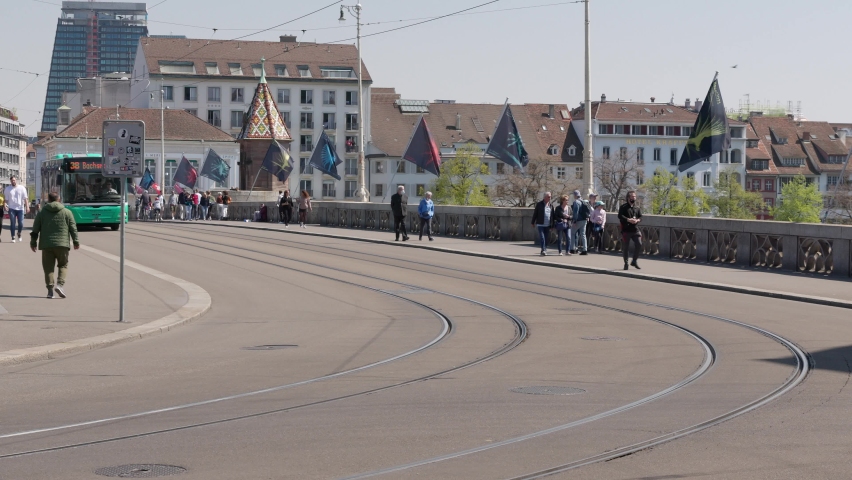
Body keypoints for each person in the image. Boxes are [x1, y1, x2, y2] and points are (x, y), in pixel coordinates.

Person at [29, 192, 80, 299]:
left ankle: (50, 291)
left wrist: (33, 243)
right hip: (62, 245)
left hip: (47, 245)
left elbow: (35, 229)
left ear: (48, 200)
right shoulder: (67, 212)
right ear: (59, 200)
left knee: (48, 268)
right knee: (63, 265)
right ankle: (60, 285)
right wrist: (76, 242)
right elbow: (73, 228)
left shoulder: (42, 212)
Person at [618, 190, 643, 270]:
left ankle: (634, 261)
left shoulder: (637, 207)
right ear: (628, 198)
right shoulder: (623, 207)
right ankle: (626, 263)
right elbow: (620, 216)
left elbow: (641, 217)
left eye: (635, 196)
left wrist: (637, 220)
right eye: (632, 197)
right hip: (626, 230)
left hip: (635, 229)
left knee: (639, 244)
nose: (634, 198)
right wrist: (628, 220)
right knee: (626, 247)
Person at [3, 175, 29, 243]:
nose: (13, 181)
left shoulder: (22, 188)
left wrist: (27, 207)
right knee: (13, 223)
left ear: (16, 180)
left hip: (20, 208)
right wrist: (5, 205)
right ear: (10, 181)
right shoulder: (8, 189)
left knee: (21, 223)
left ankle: (19, 233)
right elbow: (6, 200)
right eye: (12, 181)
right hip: (11, 208)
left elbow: (25, 198)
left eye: (14, 180)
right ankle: (13, 236)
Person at [530, 191, 554, 256]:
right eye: (549, 197)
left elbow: (552, 216)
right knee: (542, 237)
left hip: (548, 225)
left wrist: (552, 225)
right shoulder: (539, 204)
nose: (550, 198)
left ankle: (544, 249)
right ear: (545, 197)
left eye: (550, 197)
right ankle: (543, 250)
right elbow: (535, 214)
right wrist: (533, 222)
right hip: (540, 224)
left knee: (546, 238)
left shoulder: (551, 205)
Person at [569, 190, 591, 256]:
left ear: (575, 195)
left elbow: (576, 212)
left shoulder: (576, 202)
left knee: (572, 233)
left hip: (578, 220)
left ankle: (572, 249)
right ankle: (585, 250)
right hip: (584, 220)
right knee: (583, 235)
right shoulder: (584, 201)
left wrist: (574, 220)